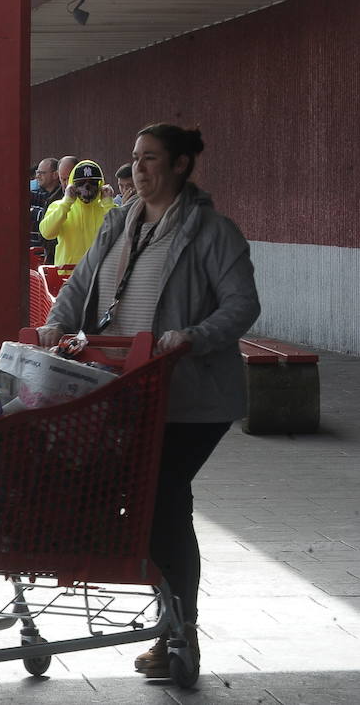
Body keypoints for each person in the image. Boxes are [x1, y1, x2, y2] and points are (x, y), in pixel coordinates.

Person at [38, 123, 259, 679]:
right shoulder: (120, 221)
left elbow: (242, 306)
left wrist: (194, 336)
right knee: (141, 500)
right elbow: (76, 285)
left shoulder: (212, 231)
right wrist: (54, 324)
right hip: (121, 390)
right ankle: (170, 627)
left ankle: (178, 632)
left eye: (152, 158)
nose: (139, 168)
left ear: (181, 165)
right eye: (134, 158)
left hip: (189, 396)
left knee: (162, 498)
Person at [39, 159, 115, 266]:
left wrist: (108, 203)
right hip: (68, 276)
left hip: (99, 277)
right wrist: (66, 203)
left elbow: (123, 234)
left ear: (100, 184)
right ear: (73, 184)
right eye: (81, 183)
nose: (87, 187)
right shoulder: (58, 206)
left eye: (92, 182)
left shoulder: (109, 209)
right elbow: (47, 233)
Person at [29, 157, 61, 261]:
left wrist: (34, 213)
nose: (37, 176)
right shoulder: (44, 194)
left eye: (41, 173)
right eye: (37, 172)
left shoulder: (63, 196)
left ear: (55, 175)